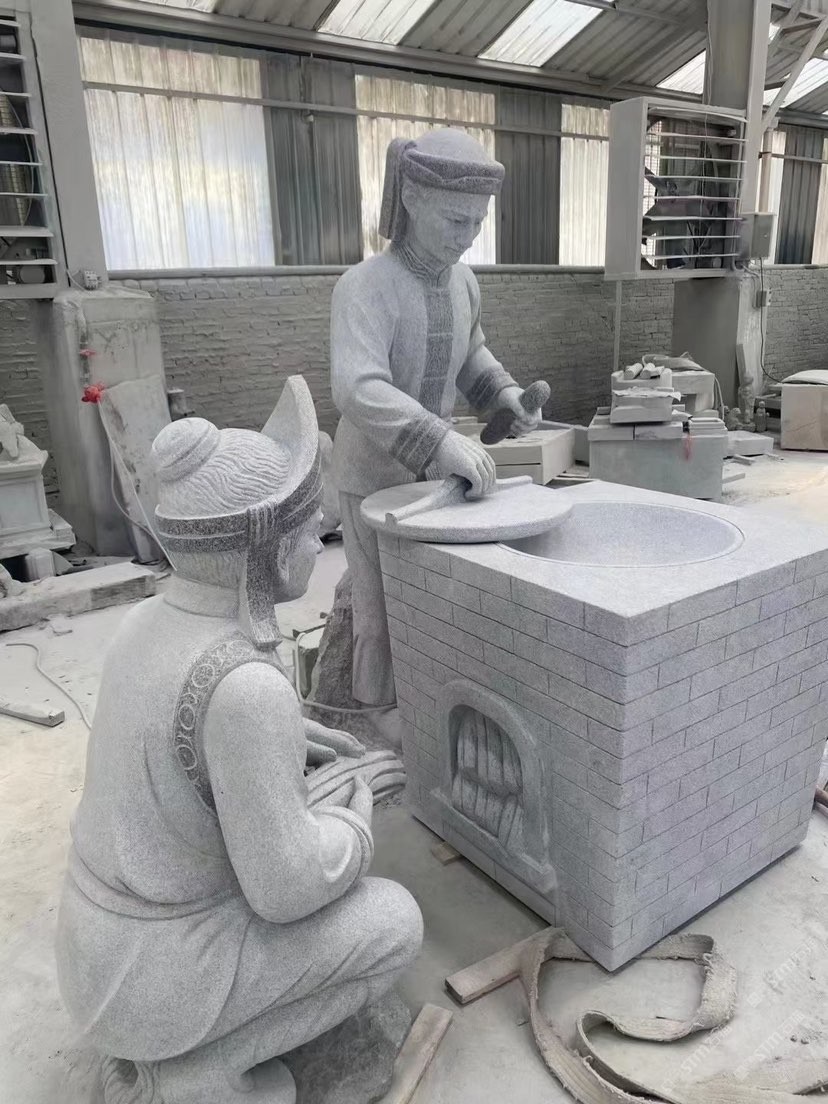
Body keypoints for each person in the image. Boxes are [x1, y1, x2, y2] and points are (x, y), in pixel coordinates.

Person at [55, 377, 422, 1104]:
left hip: (93, 952)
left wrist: (288, 735)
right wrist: (352, 819)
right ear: (265, 549)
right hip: (156, 977)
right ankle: (194, 1072)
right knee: (394, 921)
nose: (318, 535)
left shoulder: (144, 622)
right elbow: (287, 891)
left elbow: (177, 742)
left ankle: (170, 1052)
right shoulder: (245, 689)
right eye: (305, 527)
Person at [331, 128, 541, 744]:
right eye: (454, 220)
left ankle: (427, 687)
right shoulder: (365, 286)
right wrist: (440, 440)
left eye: (476, 223)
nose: (465, 236)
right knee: (376, 603)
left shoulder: (463, 281)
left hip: (434, 478)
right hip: (372, 474)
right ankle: (374, 706)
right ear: (413, 200)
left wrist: (503, 396)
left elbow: (471, 353)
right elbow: (357, 386)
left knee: (430, 592)